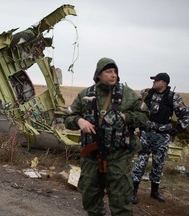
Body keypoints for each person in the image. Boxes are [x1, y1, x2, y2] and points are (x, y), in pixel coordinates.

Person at [64, 57, 149, 215]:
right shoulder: (85, 95)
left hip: (118, 156)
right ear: (98, 75)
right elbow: (67, 118)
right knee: (90, 197)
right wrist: (79, 121)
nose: (113, 75)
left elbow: (144, 116)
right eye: (108, 71)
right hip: (91, 157)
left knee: (121, 200)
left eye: (115, 71)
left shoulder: (127, 95)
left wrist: (126, 117)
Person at [131, 72, 189, 203]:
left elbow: (185, 115)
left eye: (156, 80)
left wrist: (177, 129)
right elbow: (134, 108)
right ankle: (133, 192)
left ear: (164, 83)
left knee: (159, 163)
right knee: (140, 161)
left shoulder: (173, 97)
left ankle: (154, 192)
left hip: (162, 137)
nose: (153, 82)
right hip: (145, 133)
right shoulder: (145, 93)